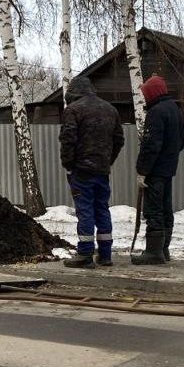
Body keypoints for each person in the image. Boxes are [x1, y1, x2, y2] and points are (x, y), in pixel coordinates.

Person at [59, 76, 125, 269]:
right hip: (102, 170)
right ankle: (105, 255)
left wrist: (68, 164)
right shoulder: (110, 109)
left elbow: (68, 139)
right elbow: (119, 140)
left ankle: (85, 254)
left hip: (81, 170)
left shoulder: (73, 110)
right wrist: (107, 161)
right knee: (102, 209)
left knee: (85, 210)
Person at [132, 75, 184, 265]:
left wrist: (142, 170)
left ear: (152, 93)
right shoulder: (175, 110)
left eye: (145, 93)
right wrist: (169, 159)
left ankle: (153, 252)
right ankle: (163, 249)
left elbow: (150, 145)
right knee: (165, 209)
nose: (145, 97)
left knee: (153, 209)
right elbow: (181, 142)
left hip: (155, 171)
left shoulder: (156, 112)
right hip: (169, 169)